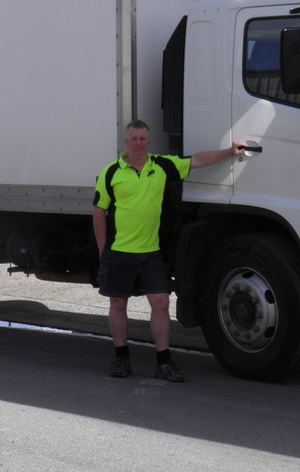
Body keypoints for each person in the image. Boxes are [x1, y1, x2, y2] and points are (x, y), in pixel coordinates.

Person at [92, 119, 246, 382]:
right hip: (118, 252)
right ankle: (121, 358)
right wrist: (103, 250)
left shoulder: (163, 166)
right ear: (126, 142)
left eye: (143, 139)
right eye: (134, 139)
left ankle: (164, 362)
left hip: (150, 252)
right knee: (118, 304)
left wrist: (230, 152)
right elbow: (98, 211)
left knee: (161, 304)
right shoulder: (111, 172)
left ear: (148, 142)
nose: (139, 143)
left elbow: (197, 160)